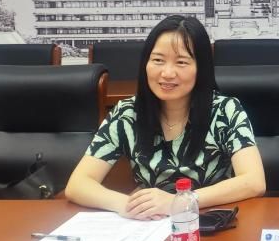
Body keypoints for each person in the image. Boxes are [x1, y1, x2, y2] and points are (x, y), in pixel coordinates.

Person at [66, 15, 266, 219]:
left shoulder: (225, 110)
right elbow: (77, 184)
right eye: (158, 60)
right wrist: (129, 205)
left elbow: (254, 181)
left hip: (210, 222)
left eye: (181, 62)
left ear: (201, 68)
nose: (167, 73)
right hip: (152, 226)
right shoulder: (127, 113)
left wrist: (180, 201)